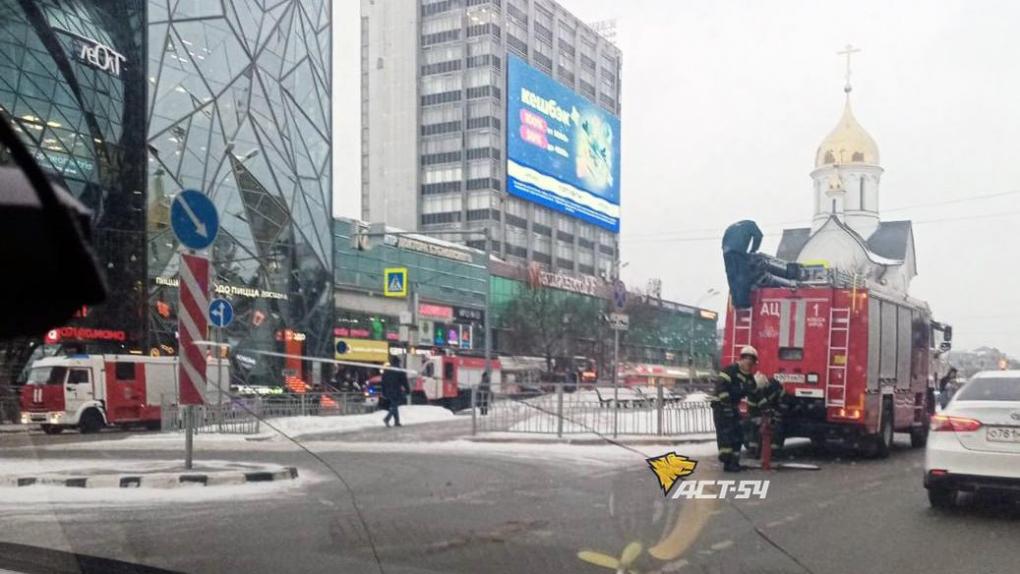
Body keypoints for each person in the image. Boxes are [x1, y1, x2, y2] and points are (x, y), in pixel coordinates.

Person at [711, 345, 759, 472]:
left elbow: (754, 392)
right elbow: (721, 387)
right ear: (741, 359)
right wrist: (726, 405)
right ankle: (727, 461)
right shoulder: (730, 370)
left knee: (738, 434)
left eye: (751, 361)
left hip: (733, 407)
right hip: (721, 407)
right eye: (747, 360)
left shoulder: (749, 377)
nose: (748, 363)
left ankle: (734, 462)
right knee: (726, 434)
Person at [721, 220, 763, 309]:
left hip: (726, 252)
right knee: (742, 275)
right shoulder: (751, 224)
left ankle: (735, 301)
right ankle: (743, 302)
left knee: (732, 277)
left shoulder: (731, 227)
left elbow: (723, 242)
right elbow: (758, 236)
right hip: (738, 251)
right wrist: (753, 250)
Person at [745, 373, 786, 458]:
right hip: (761, 413)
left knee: (778, 426)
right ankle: (753, 450)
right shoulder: (753, 392)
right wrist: (758, 418)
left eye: (762, 389)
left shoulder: (775, 386)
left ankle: (775, 451)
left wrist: (774, 413)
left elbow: (782, 400)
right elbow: (752, 409)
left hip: (778, 408)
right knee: (753, 427)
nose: (761, 391)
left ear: (766, 385)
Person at [381, 356, 410, 427]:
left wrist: (383, 391)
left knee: (394, 405)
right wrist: (407, 390)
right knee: (394, 405)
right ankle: (387, 418)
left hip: (388, 390)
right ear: (398, 362)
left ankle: (397, 422)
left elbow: (383, 381)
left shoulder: (387, 370)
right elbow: (404, 381)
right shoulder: (399, 370)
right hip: (396, 390)